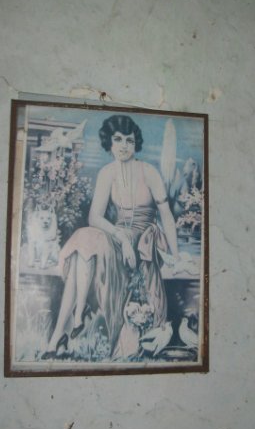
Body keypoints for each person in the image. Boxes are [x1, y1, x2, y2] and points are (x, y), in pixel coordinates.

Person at [43, 114, 179, 360]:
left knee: (81, 254)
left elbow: (167, 216)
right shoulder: (107, 173)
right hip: (118, 239)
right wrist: (121, 237)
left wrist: (175, 256)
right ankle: (73, 320)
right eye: (118, 139)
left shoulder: (149, 172)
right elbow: (94, 217)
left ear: (135, 143)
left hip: (144, 242)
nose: (123, 146)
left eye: (129, 140)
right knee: (83, 242)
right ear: (110, 142)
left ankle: (64, 331)